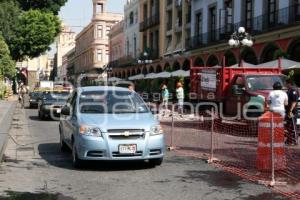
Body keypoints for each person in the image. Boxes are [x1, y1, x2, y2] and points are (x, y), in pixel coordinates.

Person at [285, 79, 299, 145]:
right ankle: (289, 140)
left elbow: (294, 101)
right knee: (289, 126)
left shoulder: (294, 90)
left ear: (289, 83)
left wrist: (290, 110)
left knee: (293, 126)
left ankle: (294, 141)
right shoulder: (289, 90)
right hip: (288, 110)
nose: (285, 85)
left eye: (286, 83)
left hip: (292, 111)